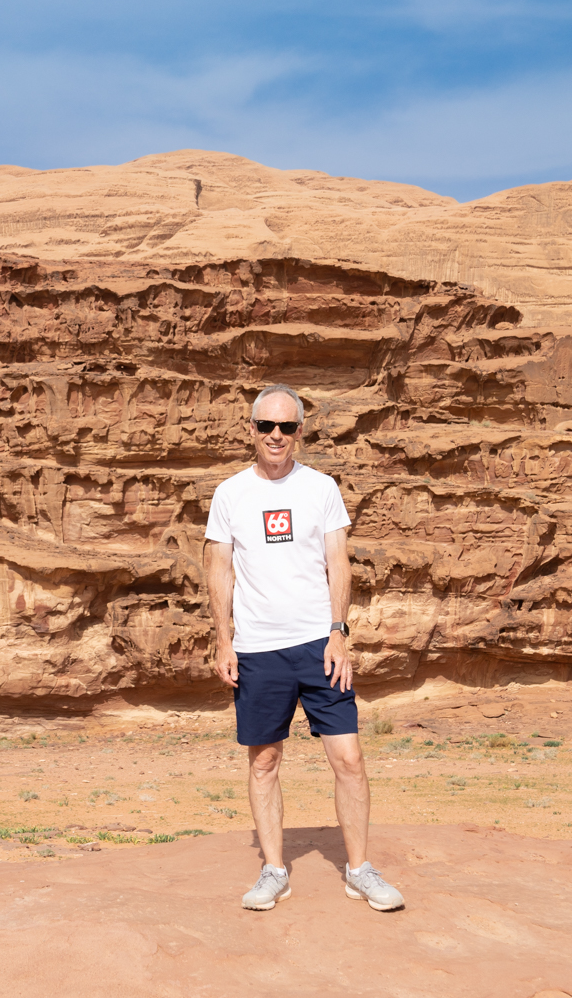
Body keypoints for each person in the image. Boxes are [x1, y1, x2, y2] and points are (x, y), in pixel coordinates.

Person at [205, 383, 404, 914]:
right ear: (250, 429)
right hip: (258, 649)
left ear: (300, 431)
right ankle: (274, 871)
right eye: (266, 426)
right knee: (265, 760)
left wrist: (340, 631)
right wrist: (224, 639)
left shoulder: (321, 488)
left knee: (349, 757)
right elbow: (217, 567)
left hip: (319, 645)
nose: (276, 436)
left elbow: (338, 561)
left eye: (287, 427)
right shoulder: (230, 494)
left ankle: (359, 870)